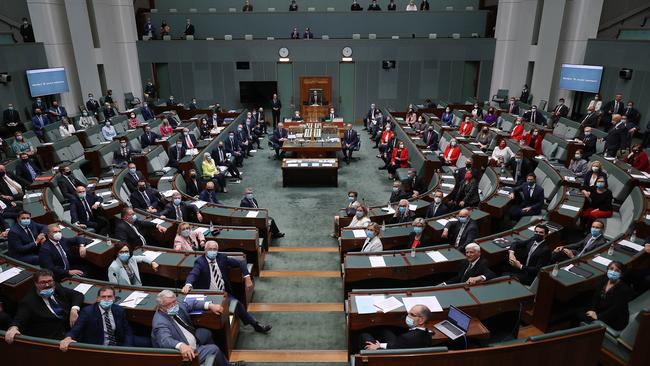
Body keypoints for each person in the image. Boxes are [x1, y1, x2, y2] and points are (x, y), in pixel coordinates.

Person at [181, 240, 271, 335]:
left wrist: (247, 277)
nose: (212, 251)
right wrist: (188, 284)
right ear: (205, 250)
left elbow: (241, 263)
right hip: (208, 296)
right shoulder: (200, 262)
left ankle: (255, 325)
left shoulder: (222, 257)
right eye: (210, 249)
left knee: (237, 304)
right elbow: (193, 274)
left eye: (215, 249)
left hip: (223, 293)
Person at [152, 290, 244, 366]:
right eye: (169, 304)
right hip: (185, 353)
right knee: (213, 349)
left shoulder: (176, 306)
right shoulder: (160, 323)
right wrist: (181, 345)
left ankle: (214, 361)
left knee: (206, 333)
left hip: (191, 338)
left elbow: (191, 304)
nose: (174, 306)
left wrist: (209, 305)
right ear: (161, 307)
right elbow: (165, 340)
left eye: (174, 302)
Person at [4, 269, 83, 343]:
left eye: (50, 281)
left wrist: (74, 309)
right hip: (51, 338)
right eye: (43, 282)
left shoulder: (56, 287)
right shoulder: (29, 301)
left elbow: (77, 295)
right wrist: (13, 328)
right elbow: (19, 320)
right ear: (36, 283)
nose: (47, 285)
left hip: (68, 327)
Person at [59, 286, 138, 350]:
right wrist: (68, 338)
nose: (106, 299)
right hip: (97, 348)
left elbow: (128, 331)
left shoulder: (119, 310)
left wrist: (126, 348)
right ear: (98, 299)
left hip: (117, 346)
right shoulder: (88, 312)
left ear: (114, 298)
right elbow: (75, 330)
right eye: (103, 297)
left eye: (109, 297)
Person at [578, 261, 632, 331]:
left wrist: (598, 316)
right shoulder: (603, 281)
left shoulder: (624, 289)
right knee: (579, 313)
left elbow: (615, 309)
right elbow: (595, 298)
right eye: (611, 269)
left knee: (583, 317)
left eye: (617, 271)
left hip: (615, 319)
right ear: (607, 270)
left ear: (621, 274)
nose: (613, 272)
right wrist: (592, 310)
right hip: (602, 309)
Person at [359, 304, 433, 351]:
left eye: (412, 315)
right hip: (400, 346)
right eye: (408, 313)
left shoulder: (406, 338)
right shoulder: (427, 334)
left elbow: (393, 348)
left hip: (391, 357)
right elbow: (397, 344)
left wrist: (378, 346)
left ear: (421, 320)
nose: (408, 316)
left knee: (364, 335)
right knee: (384, 331)